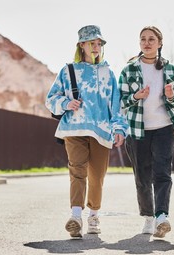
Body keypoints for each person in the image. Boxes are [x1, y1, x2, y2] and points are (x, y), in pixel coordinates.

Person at [45, 25, 128, 239]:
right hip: (74, 128)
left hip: (102, 131)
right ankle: (75, 216)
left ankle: (94, 215)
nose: (96, 47)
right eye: (92, 43)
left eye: (99, 43)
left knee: (97, 176)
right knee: (77, 169)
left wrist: (119, 128)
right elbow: (50, 99)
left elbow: (116, 105)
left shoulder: (108, 74)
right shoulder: (68, 71)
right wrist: (66, 102)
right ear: (81, 45)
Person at [119, 26, 174, 238]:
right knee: (142, 176)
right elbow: (120, 101)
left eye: (151, 39)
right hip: (138, 130)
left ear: (159, 43)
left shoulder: (170, 69)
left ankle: (161, 216)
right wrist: (136, 97)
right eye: (143, 39)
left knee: (162, 173)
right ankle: (148, 216)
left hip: (164, 128)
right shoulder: (129, 70)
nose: (146, 43)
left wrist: (169, 95)